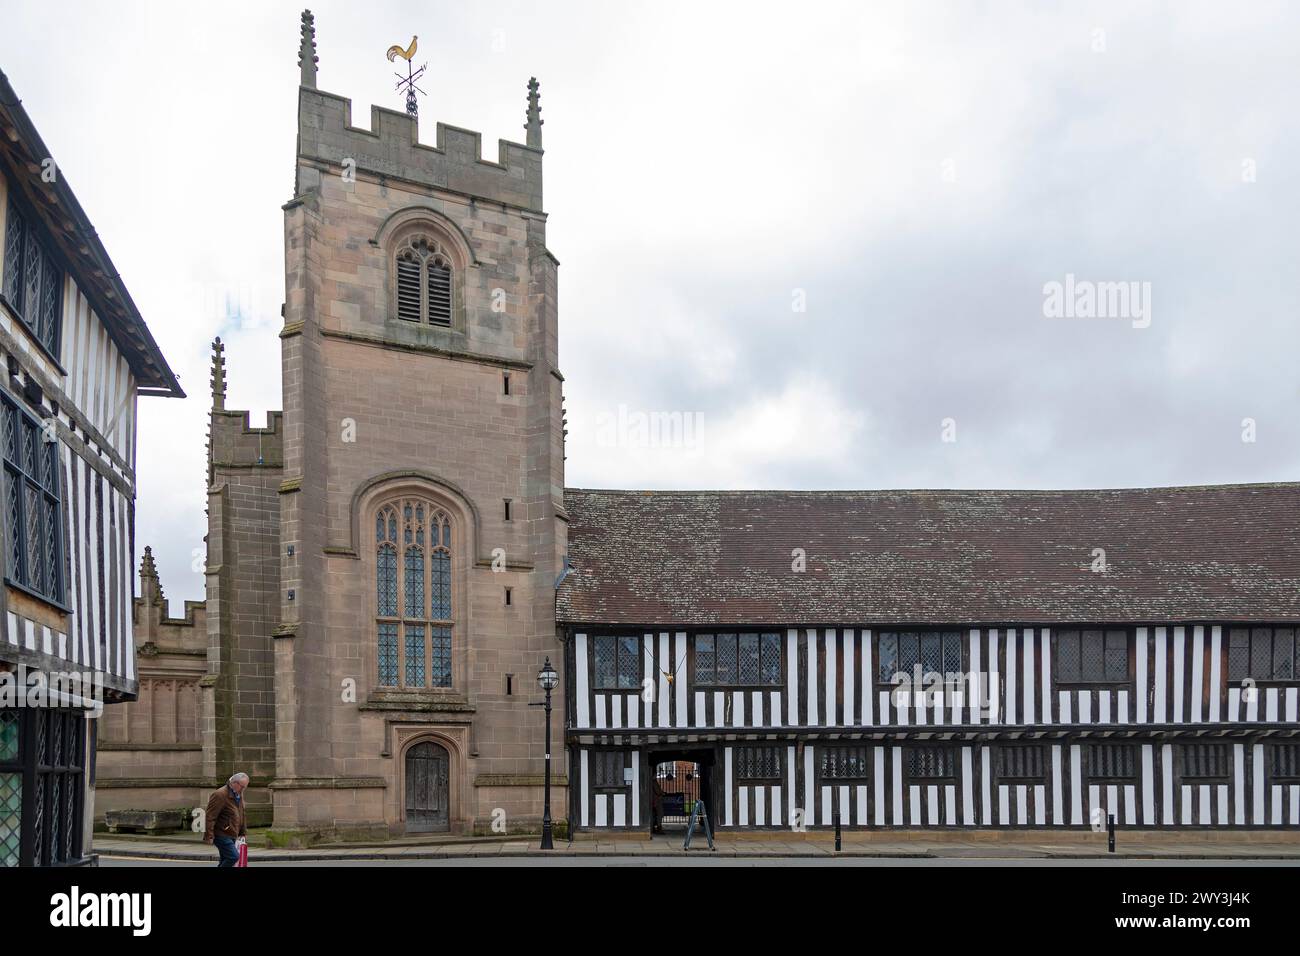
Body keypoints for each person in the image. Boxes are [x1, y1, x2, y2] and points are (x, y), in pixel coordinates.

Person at [203, 772, 249, 867]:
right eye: (242, 786)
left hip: (232, 833)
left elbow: (241, 813)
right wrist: (209, 836)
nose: (243, 789)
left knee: (225, 859)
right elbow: (210, 816)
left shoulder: (238, 793)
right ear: (234, 783)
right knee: (233, 857)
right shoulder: (220, 794)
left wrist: (243, 832)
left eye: (245, 787)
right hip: (221, 834)